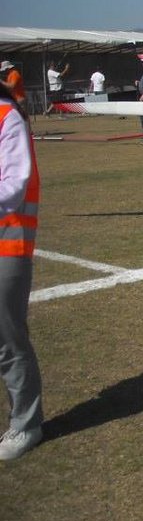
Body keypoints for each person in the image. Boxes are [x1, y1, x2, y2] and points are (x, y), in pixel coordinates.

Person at [0, 83, 44, 460]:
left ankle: (26, 423)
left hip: (7, 243)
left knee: (8, 338)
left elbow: (14, 186)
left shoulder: (6, 115)